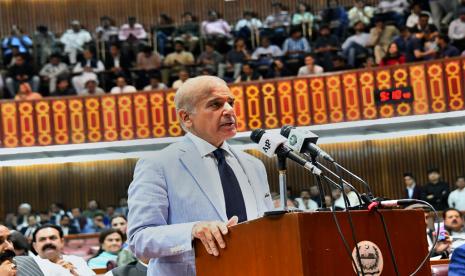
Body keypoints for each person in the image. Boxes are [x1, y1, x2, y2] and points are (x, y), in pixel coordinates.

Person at [127, 75, 273, 275]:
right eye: (215, 104)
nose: (229, 110)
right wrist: (192, 231)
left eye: (230, 102)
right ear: (186, 117)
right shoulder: (158, 165)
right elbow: (139, 240)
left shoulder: (254, 165)